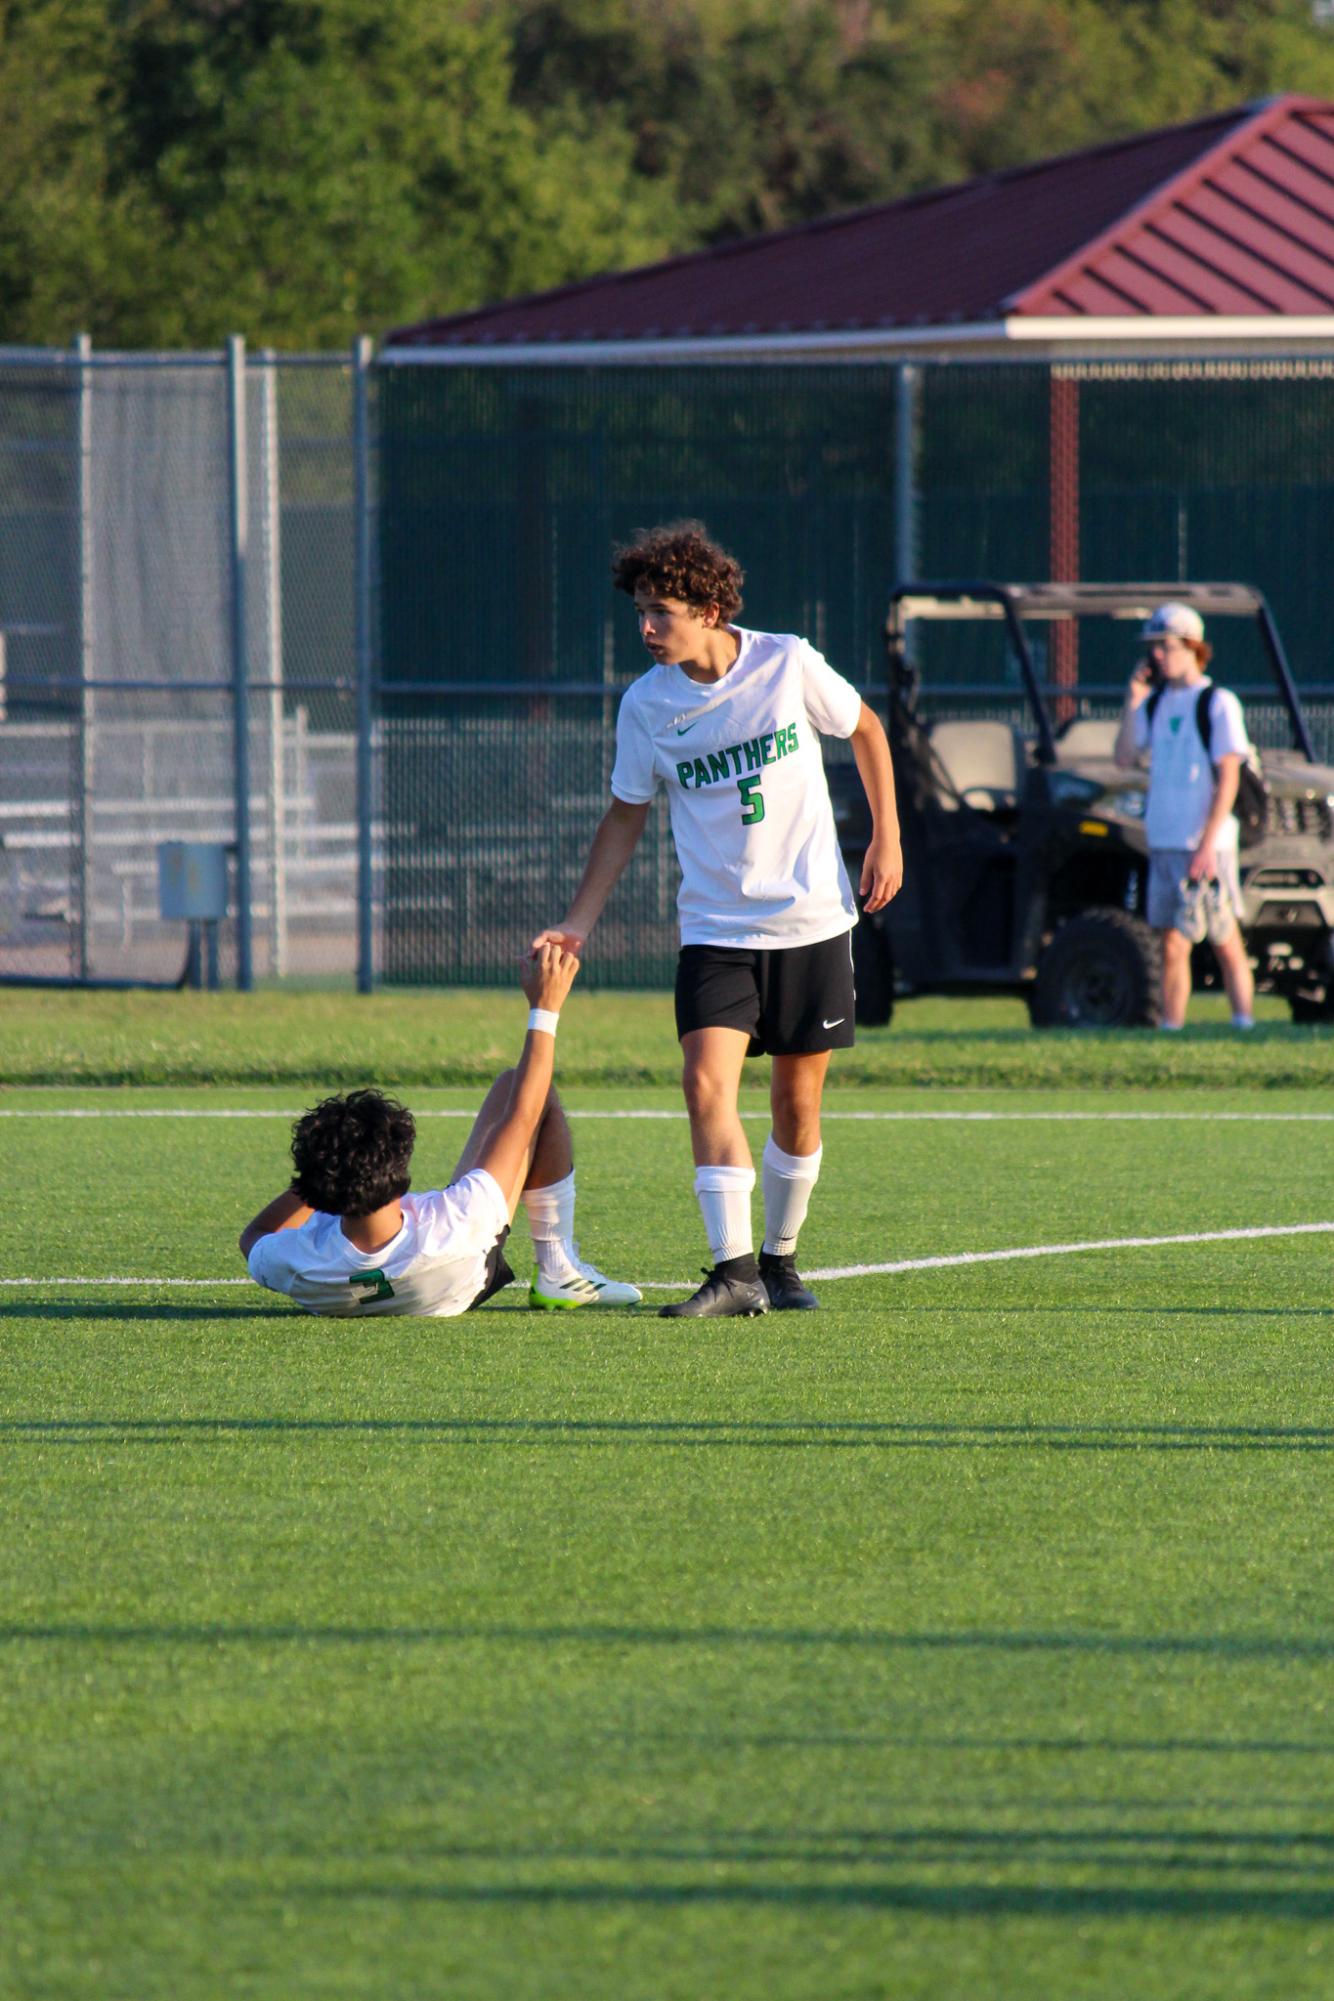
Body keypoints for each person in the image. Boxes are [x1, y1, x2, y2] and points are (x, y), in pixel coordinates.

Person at [532, 519, 903, 1319]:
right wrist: (577, 924)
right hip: (715, 930)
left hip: (810, 919)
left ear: (707, 605)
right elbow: (625, 815)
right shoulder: (646, 705)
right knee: (705, 1084)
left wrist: (887, 836)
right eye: (639, 610)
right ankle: (733, 1271)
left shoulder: (786, 661)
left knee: (796, 1107)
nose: (646, 627)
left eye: (660, 610)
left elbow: (867, 729)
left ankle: (780, 1259)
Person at [239, 942, 642, 1315]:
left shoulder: (294, 1261)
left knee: (518, 1092)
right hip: (463, 1276)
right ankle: (558, 1270)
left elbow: (254, 1235)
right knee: (519, 1085)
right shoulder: (456, 1221)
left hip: (415, 1276)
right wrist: (546, 1006)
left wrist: (324, 1173)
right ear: (400, 1172)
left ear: (315, 1188)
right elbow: (523, 1112)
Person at [1114, 601, 1255, 1031]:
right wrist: (1132, 700)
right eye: (1153, 647)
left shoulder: (1217, 702)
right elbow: (1124, 758)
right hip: (1164, 839)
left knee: (1223, 938)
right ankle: (1171, 1029)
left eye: (1166, 645)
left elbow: (1229, 775)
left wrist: (1207, 844)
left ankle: (1243, 1021)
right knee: (1171, 941)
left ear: (1193, 647)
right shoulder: (1155, 704)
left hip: (1204, 845)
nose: (1157, 655)